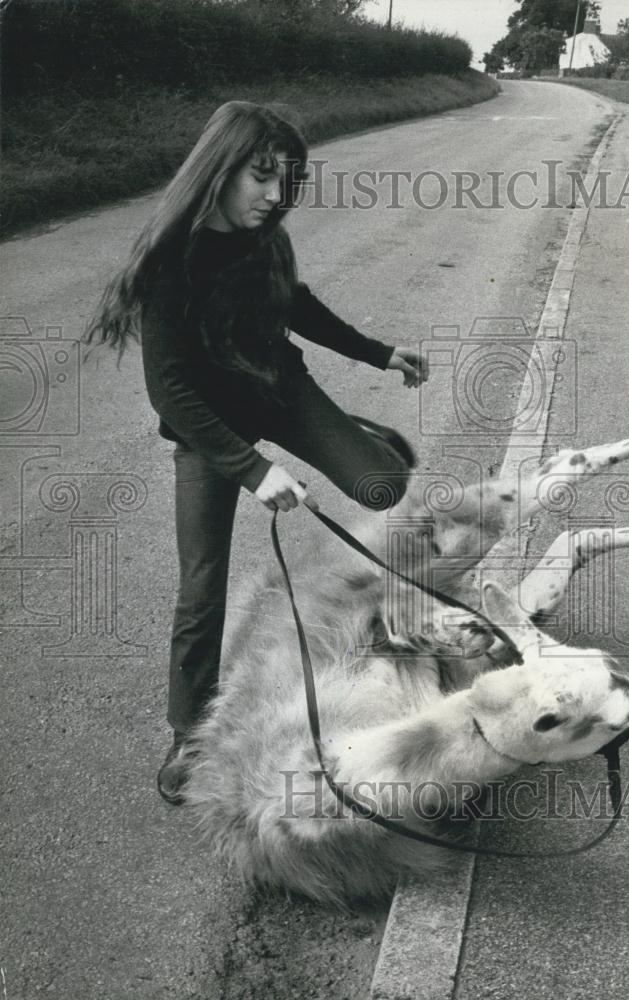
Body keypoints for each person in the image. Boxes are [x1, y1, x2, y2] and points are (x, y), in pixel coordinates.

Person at [85, 101, 428, 805]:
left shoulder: (265, 240)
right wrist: (252, 467)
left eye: (288, 180)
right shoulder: (170, 261)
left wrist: (379, 352)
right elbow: (170, 391)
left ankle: (354, 440)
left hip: (279, 391)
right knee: (201, 589)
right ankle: (187, 732)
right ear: (220, 169)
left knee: (385, 486)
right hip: (208, 431)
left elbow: (296, 305)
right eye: (262, 176)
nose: (275, 196)